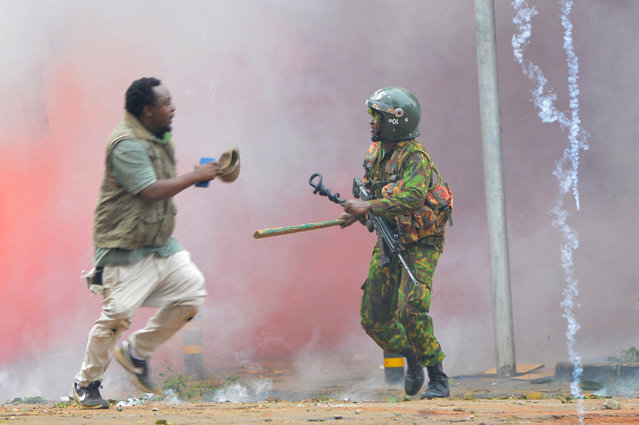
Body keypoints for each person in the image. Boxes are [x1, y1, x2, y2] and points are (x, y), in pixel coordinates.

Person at [72, 77, 220, 409]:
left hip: (160, 244)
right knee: (117, 315)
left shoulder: (156, 136)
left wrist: (199, 173)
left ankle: (136, 353)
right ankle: (86, 383)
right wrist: (195, 177)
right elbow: (149, 190)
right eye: (166, 103)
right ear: (147, 110)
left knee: (191, 293)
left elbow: (162, 182)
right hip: (125, 249)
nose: (173, 107)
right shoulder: (126, 143)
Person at [339, 86, 451, 399]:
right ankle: (412, 355)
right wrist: (358, 213)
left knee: (411, 309)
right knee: (373, 319)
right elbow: (371, 194)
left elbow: (414, 197)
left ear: (395, 122)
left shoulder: (415, 156)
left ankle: (438, 379)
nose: (372, 121)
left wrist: (369, 207)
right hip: (389, 238)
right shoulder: (374, 153)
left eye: (378, 116)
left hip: (421, 242)